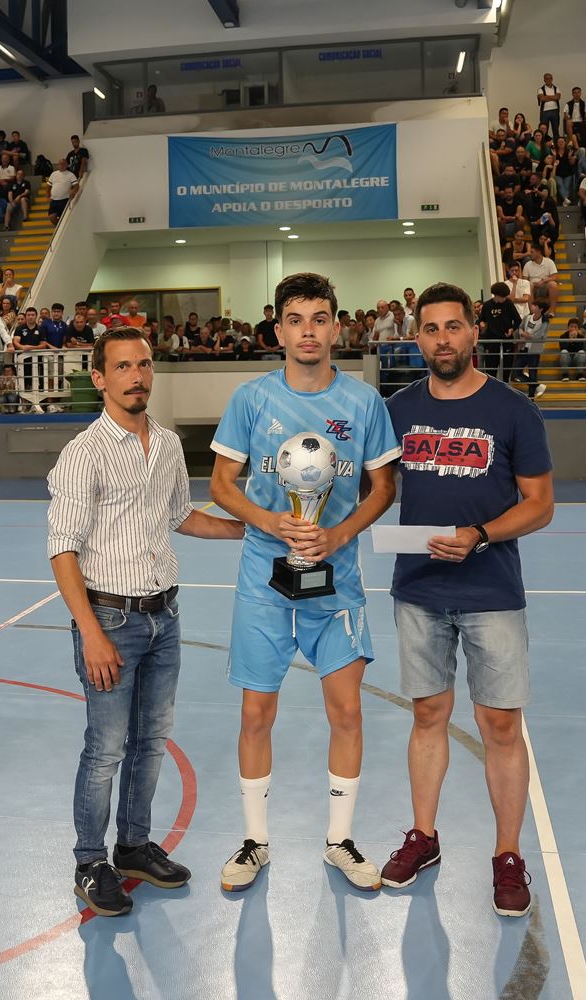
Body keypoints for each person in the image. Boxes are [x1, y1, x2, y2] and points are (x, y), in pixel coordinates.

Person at [209, 272, 401, 893]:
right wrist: (271, 522)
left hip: (337, 580)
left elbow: (384, 488)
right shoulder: (251, 399)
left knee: (346, 712)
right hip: (264, 578)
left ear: (336, 326)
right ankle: (254, 843)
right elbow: (220, 485)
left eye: (320, 318)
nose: (309, 331)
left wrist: (338, 536)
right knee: (255, 712)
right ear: (279, 329)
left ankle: (339, 840)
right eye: (297, 319)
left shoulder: (363, 402)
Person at [47, 326, 244, 917]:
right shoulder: (83, 454)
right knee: (105, 749)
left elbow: (181, 515)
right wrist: (91, 632)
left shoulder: (165, 443)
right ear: (100, 379)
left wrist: (249, 527)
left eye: (145, 365)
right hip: (110, 617)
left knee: (150, 743)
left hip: (165, 617)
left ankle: (132, 846)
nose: (137, 376)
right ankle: (90, 861)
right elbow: (63, 550)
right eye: (124, 367)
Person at [379, 281, 553, 916]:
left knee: (499, 724)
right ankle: (423, 836)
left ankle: (508, 854)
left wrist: (480, 534)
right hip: (418, 590)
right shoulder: (395, 410)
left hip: (491, 592)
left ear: (475, 332)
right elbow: (376, 493)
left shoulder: (513, 411)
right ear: (417, 335)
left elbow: (540, 505)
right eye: (431, 328)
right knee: (427, 716)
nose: (443, 339)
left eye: (454, 326)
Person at [47, 158, 79, 226]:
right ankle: (59, 226)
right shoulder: (53, 174)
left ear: (67, 165)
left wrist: (73, 192)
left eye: (64, 164)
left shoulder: (70, 175)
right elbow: (49, 185)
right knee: (51, 217)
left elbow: (76, 185)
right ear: (58, 165)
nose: (62, 165)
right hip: (54, 200)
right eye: (60, 164)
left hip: (64, 200)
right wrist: (47, 195)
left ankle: (62, 230)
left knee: (64, 218)